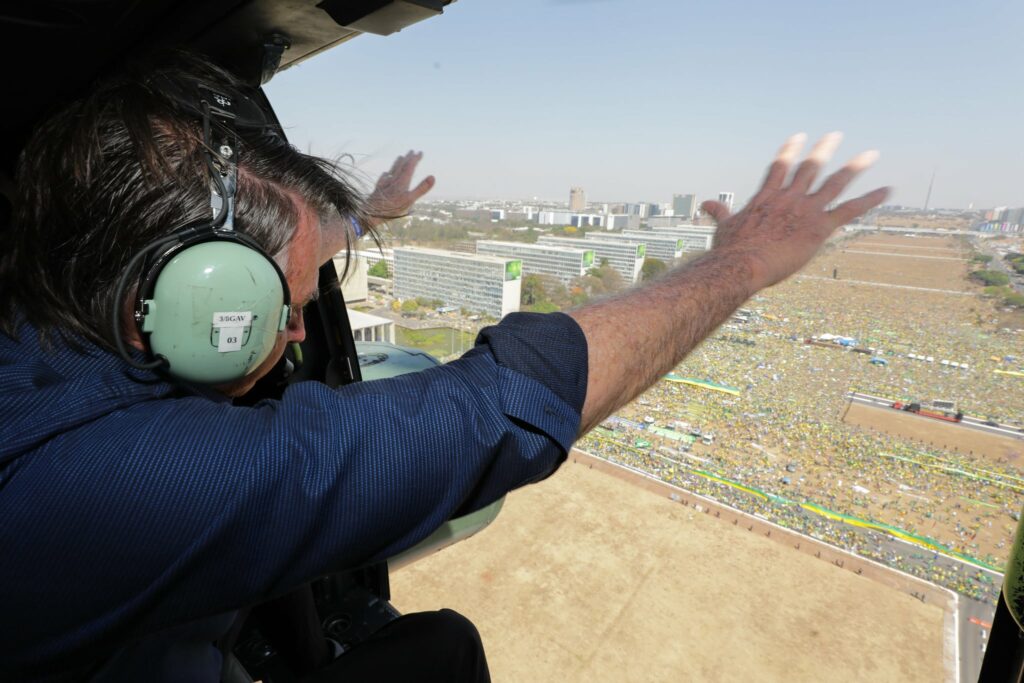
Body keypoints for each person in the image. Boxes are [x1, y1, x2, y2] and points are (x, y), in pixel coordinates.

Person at [0, 51, 887, 682]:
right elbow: (489, 410)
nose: (300, 339)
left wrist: (363, 219)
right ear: (196, 297)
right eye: (289, 307)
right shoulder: (101, 484)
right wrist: (741, 262)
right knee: (443, 652)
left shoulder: (42, 334)